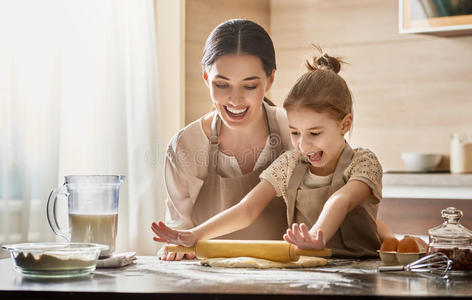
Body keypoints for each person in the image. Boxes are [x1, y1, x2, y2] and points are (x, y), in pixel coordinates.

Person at [152, 45, 394, 258]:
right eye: (295, 133)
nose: (303, 145)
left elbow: (341, 199)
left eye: (314, 133)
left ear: (345, 124)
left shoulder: (364, 162)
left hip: (363, 273)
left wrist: (316, 235)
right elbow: (247, 209)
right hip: (308, 269)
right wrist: (195, 234)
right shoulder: (290, 163)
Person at [160, 19, 293, 261]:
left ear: (270, 80)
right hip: (211, 282)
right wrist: (175, 247)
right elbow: (181, 233)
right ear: (205, 77)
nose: (235, 99)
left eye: (250, 86)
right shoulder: (186, 147)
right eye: (222, 84)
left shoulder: (293, 131)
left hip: (288, 280)